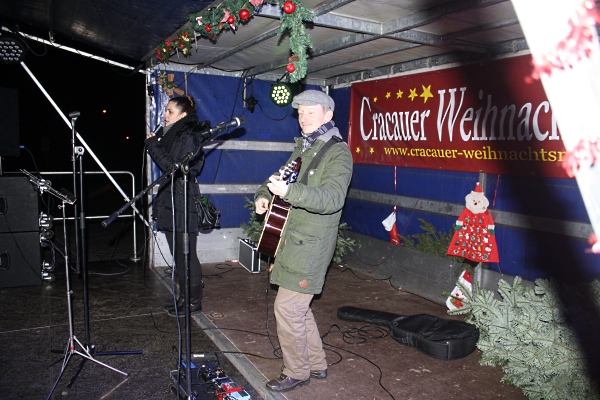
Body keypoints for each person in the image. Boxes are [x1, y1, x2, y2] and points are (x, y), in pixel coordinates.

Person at [254, 90, 353, 392]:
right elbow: (280, 178)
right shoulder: (305, 148)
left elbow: (332, 199)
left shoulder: (338, 152)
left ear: (328, 114)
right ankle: (317, 363)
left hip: (311, 244)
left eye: (311, 111)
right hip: (291, 240)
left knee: (288, 309)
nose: (304, 117)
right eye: (300, 112)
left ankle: (297, 371)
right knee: (298, 308)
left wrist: (290, 193)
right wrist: (263, 194)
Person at [145, 95, 210, 317]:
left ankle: (193, 301)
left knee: (186, 254)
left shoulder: (190, 136)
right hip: (171, 197)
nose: (165, 115)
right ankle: (184, 297)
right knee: (178, 255)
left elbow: (173, 167)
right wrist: (158, 142)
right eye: (165, 110)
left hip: (182, 198)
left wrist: (154, 146)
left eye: (170, 111)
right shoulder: (171, 136)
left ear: (183, 115)